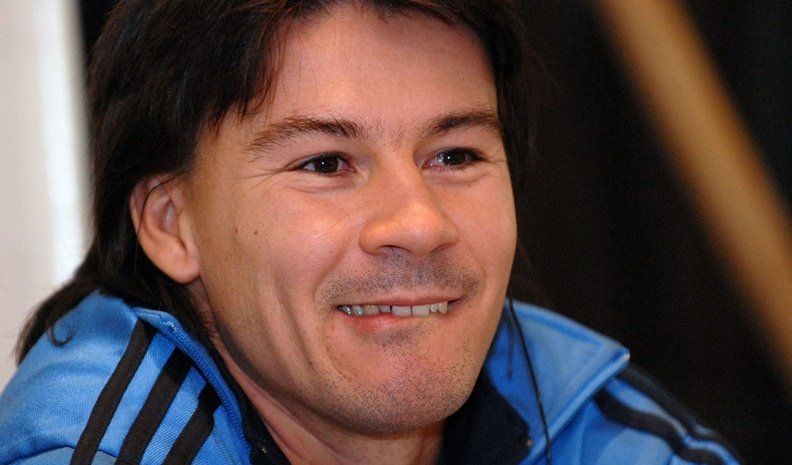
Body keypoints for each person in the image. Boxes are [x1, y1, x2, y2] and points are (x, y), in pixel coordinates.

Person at [0, 1, 741, 464]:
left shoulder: (599, 424)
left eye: (455, 155)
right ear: (172, 224)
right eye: (326, 163)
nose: (419, 223)